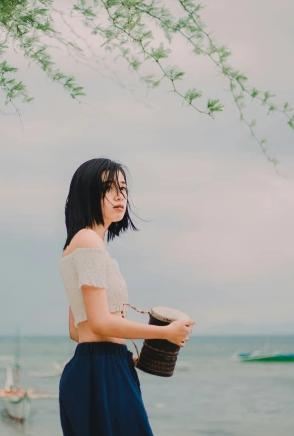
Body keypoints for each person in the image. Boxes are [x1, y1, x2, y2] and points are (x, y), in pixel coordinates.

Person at [58, 158, 195, 436]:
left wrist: (122, 355)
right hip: (101, 373)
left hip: (100, 366)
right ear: (88, 193)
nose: (119, 195)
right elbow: (99, 323)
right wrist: (164, 333)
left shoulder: (80, 242)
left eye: (123, 187)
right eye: (109, 188)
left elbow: (77, 329)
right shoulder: (89, 242)